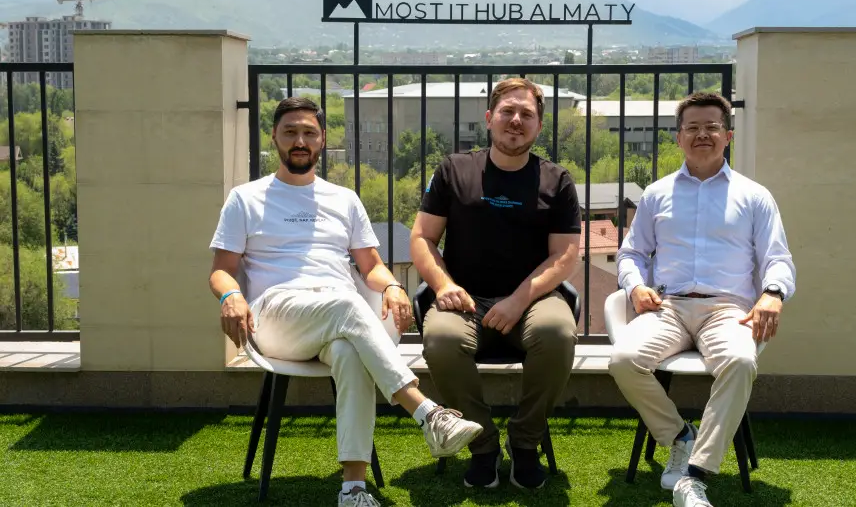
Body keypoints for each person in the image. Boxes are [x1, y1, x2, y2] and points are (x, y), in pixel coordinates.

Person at [208, 97, 483, 507]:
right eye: (290, 132)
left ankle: (353, 490)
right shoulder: (245, 198)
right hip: (276, 318)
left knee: (349, 352)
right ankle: (427, 413)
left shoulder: (344, 199)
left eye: (309, 133)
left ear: (322, 139)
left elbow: (371, 266)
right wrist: (231, 295)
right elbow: (221, 270)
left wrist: (392, 286)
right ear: (274, 137)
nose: (299, 141)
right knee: (347, 304)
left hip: (336, 316)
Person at [609, 92, 796, 507]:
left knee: (741, 362)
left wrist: (773, 293)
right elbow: (631, 253)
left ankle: (694, 476)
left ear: (728, 135)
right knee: (623, 360)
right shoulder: (656, 194)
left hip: (728, 310)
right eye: (692, 128)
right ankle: (680, 436)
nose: (702, 135)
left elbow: (778, 259)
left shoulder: (754, 196)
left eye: (712, 127)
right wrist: (635, 286)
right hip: (668, 307)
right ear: (679, 138)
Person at [410, 77, 581, 490]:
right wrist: (443, 285)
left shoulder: (557, 180)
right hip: (464, 298)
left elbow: (565, 255)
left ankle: (525, 443)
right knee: (441, 339)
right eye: (507, 111)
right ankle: (482, 445)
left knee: (557, 333)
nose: (516, 120)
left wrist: (518, 300)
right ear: (489, 118)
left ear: (539, 126)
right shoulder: (453, 170)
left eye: (527, 114)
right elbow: (422, 238)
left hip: (534, 300)